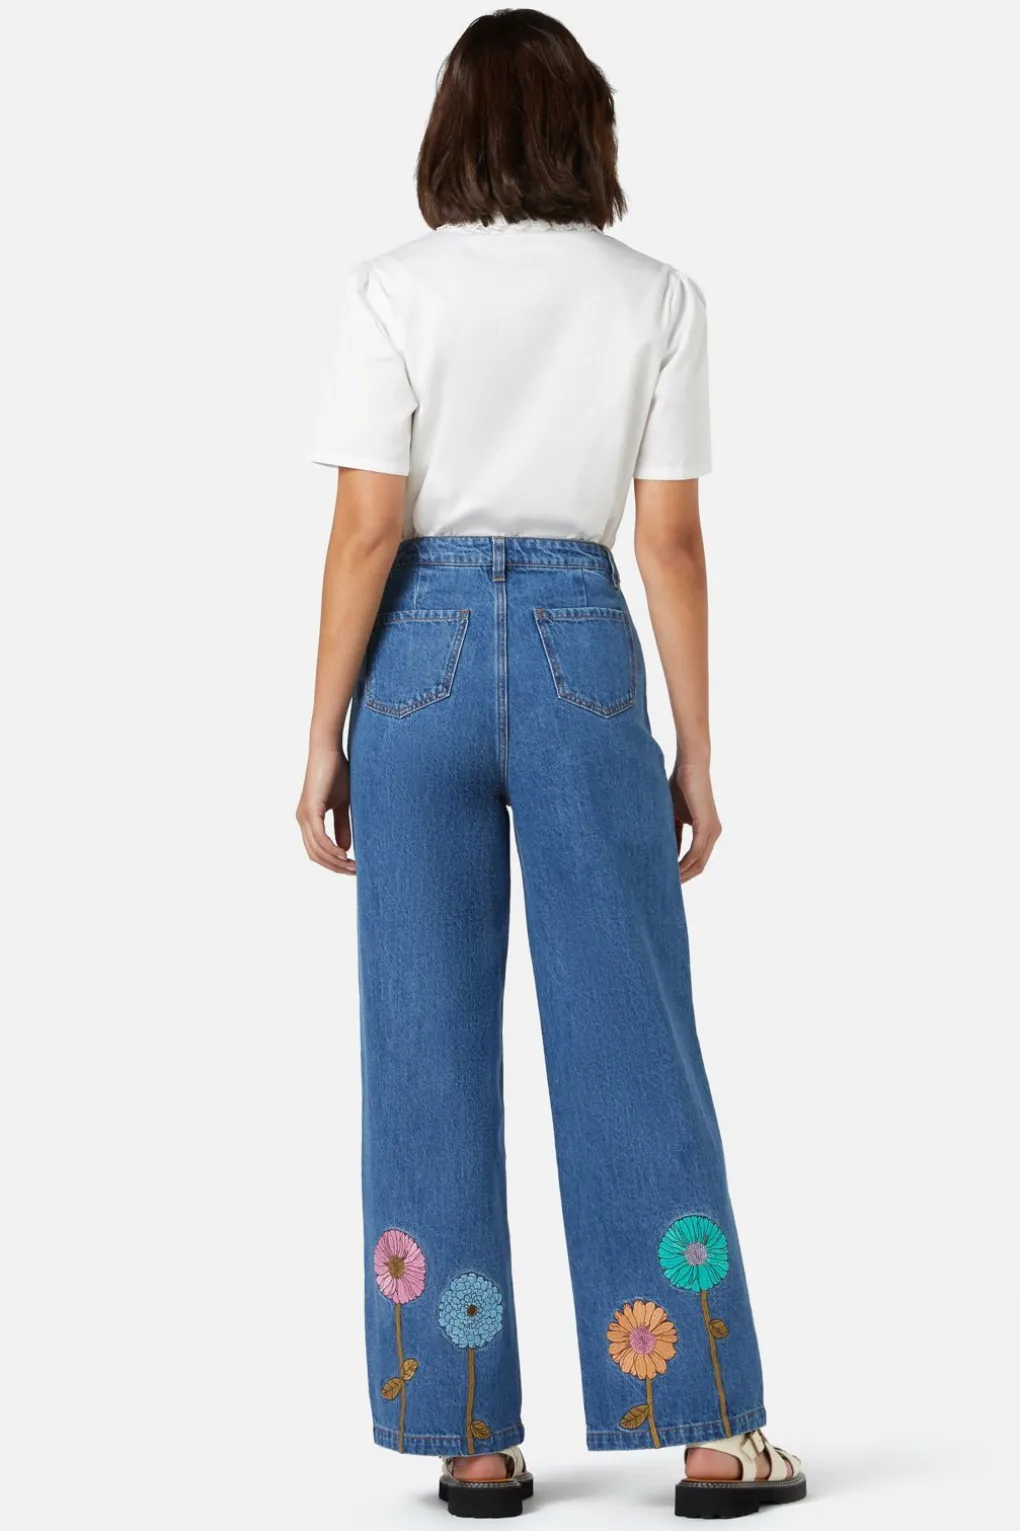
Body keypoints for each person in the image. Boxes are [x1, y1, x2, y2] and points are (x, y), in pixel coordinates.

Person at [297, 9, 805, 1520]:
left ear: (449, 130)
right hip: (586, 643)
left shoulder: (389, 290)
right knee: (629, 1032)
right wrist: (696, 746)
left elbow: (366, 530)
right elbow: (671, 539)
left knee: (422, 1042)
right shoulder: (657, 297)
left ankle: (470, 1437)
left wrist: (322, 732)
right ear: (589, 126)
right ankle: (708, 1433)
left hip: (417, 657)